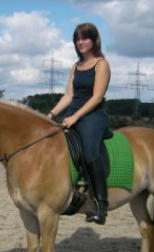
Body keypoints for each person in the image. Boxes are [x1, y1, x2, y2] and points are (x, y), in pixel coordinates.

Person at [47, 22, 111, 225]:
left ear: (94, 40)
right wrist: (50, 114)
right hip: (72, 113)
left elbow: (97, 97)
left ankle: (101, 204)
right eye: (77, 38)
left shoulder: (101, 64)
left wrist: (75, 118)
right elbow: (69, 95)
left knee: (90, 150)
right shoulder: (76, 66)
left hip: (92, 115)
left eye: (84, 38)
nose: (80, 42)